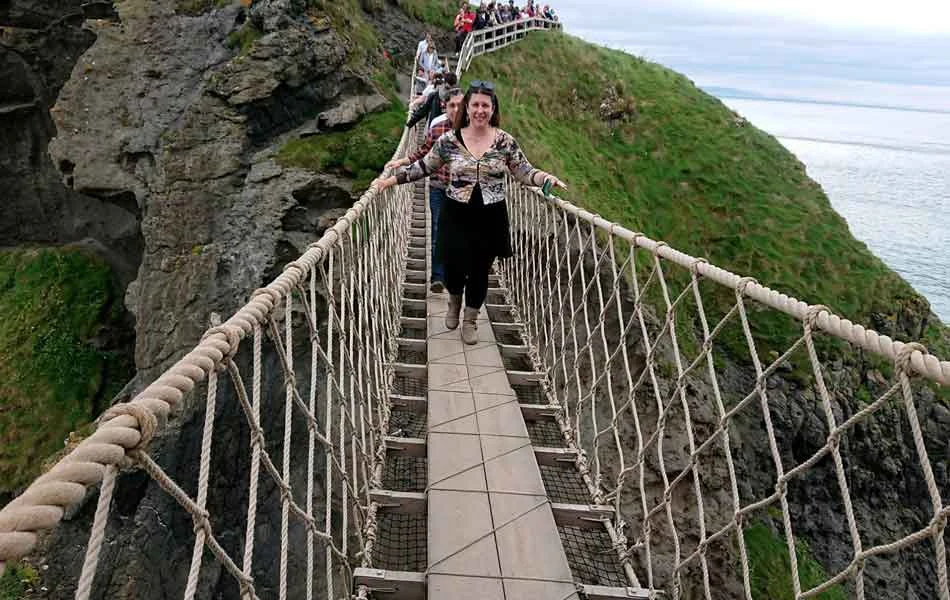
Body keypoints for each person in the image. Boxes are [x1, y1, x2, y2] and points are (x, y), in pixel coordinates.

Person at [373, 80, 567, 344]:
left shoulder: (505, 142)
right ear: (466, 107)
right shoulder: (449, 140)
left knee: (479, 271)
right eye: (475, 104)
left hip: (490, 215)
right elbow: (424, 167)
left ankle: (471, 319)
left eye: (485, 105)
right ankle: (454, 301)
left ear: (493, 108)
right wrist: (390, 180)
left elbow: (523, 171)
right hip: (456, 213)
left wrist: (546, 178)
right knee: (453, 268)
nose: (480, 110)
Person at [385, 88, 465, 294]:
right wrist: (402, 163)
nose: (456, 109)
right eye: (452, 105)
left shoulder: (476, 129)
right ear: (444, 106)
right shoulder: (437, 126)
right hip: (438, 186)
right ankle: (438, 277)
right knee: (438, 228)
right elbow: (425, 152)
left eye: (460, 104)